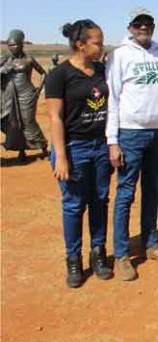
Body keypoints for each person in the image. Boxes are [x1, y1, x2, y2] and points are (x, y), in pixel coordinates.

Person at [106, 8, 158, 281]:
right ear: (130, 27)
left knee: (153, 190)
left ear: (153, 26)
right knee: (126, 193)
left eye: (148, 23)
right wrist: (113, 141)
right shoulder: (120, 55)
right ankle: (122, 254)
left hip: (157, 134)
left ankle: (150, 244)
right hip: (130, 133)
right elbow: (113, 99)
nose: (143, 27)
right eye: (138, 23)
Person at [46, 20, 113, 288]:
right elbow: (55, 118)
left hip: (100, 146)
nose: (102, 46)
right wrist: (61, 156)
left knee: (99, 200)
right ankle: (73, 258)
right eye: (97, 42)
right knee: (74, 205)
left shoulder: (101, 70)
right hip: (74, 148)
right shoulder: (59, 75)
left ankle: (98, 253)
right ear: (81, 45)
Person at [1, 29, 48, 161]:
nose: (12, 47)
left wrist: (38, 90)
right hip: (12, 95)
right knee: (16, 123)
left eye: (15, 44)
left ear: (22, 44)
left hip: (28, 95)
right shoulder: (5, 60)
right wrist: (4, 70)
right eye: (10, 45)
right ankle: (22, 151)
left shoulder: (29, 59)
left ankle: (43, 146)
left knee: (29, 122)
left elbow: (43, 73)